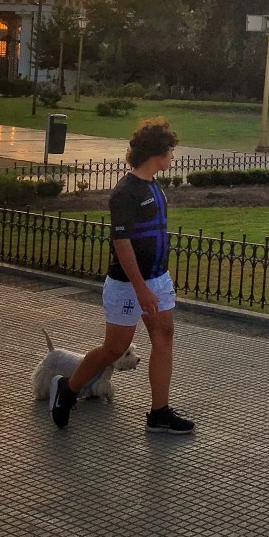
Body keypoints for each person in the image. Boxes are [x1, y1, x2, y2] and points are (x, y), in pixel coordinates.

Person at [50, 117, 194, 435]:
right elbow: (122, 243)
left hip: (157, 278)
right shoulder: (125, 192)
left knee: (164, 337)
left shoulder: (154, 186)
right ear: (157, 153)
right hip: (128, 285)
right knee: (114, 349)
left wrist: (154, 282)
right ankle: (68, 390)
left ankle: (159, 413)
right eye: (170, 151)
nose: (173, 157)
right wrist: (140, 289)